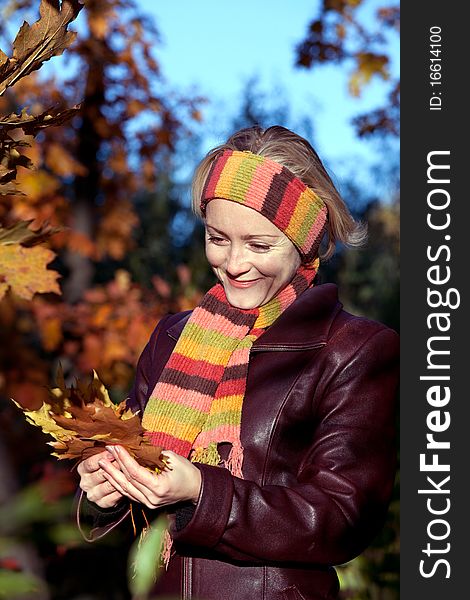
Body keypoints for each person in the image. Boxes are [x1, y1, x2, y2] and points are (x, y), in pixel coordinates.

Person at [77, 125, 399, 600]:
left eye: (259, 244)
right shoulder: (172, 337)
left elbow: (341, 518)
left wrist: (202, 494)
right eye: (217, 238)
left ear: (304, 241)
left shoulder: (354, 349)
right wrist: (104, 488)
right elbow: (138, 466)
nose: (233, 262)